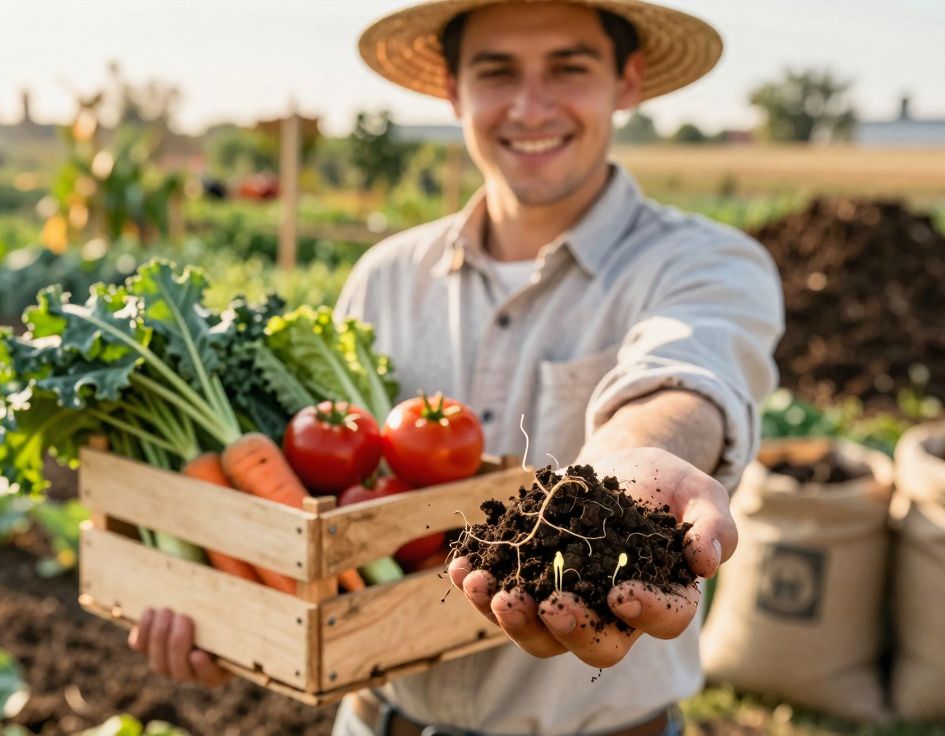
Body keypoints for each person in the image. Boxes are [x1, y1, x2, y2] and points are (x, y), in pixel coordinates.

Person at [130, 1, 783, 734]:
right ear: (452, 90)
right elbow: (330, 504)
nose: (531, 107)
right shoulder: (384, 277)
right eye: (497, 72)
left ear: (626, 82)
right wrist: (243, 616)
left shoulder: (709, 263)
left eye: (569, 68)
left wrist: (633, 462)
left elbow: (686, 370)